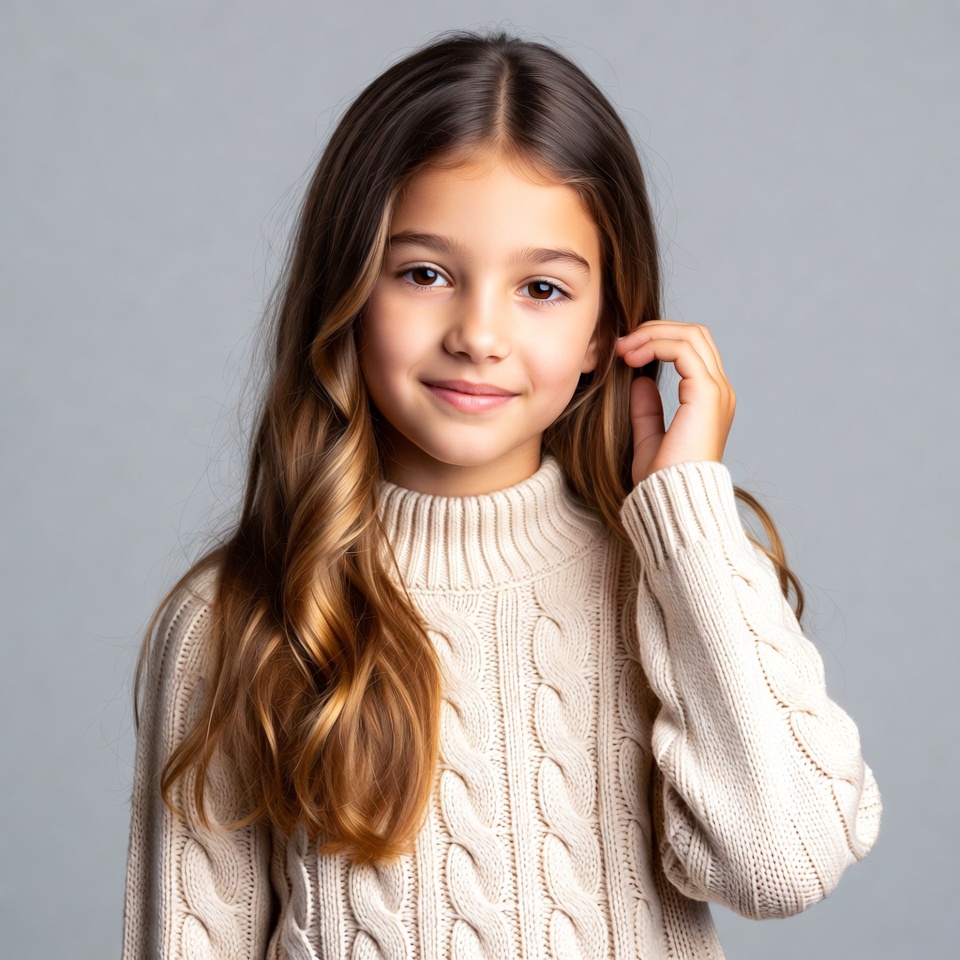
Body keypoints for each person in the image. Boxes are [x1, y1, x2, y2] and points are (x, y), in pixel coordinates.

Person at [123, 30, 881, 960]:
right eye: (425, 274)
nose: (479, 334)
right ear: (349, 292)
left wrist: (688, 519)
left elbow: (784, 865)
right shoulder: (237, 620)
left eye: (541, 288)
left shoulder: (673, 584)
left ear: (609, 328)